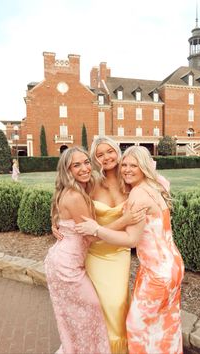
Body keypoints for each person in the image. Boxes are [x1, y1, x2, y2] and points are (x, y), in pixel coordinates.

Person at [76, 145, 185, 354]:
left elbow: (131, 239)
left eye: (133, 165)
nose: (126, 169)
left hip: (158, 272)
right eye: (124, 164)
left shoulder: (138, 194)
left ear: (143, 167)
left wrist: (97, 229)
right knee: (167, 322)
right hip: (173, 265)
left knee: (136, 326)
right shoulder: (155, 187)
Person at [52, 137, 146, 354]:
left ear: (117, 151)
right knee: (101, 305)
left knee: (117, 304)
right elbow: (64, 198)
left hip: (119, 252)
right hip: (95, 252)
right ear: (94, 158)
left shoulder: (130, 181)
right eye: (100, 154)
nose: (107, 157)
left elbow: (155, 184)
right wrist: (56, 222)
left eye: (110, 151)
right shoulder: (91, 183)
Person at [44, 146, 111, 354]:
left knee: (74, 315)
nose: (84, 168)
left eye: (86, 162)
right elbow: (92, 235)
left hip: (62, 260)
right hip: (66, 267)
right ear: (68, 170)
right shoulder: (74, 196)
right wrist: (125, 221)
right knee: (91, 309)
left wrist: (55, 223)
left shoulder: (73, 190)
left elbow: (56, 214)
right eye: (76, 165)